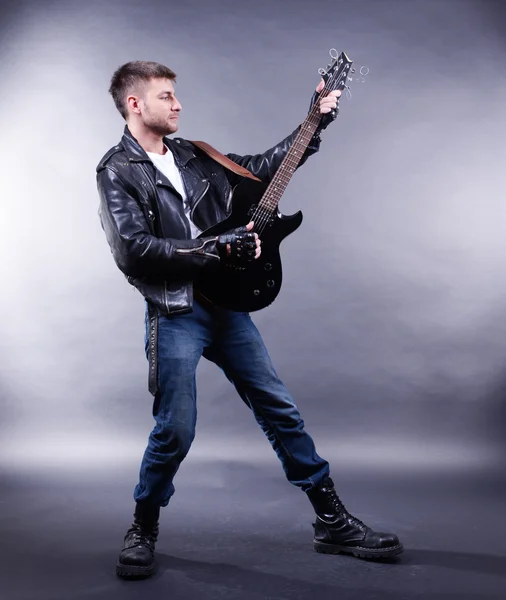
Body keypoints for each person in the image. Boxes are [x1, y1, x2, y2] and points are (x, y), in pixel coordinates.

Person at [96, 60, 403, 579]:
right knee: (176, 428)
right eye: (166, 96)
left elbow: (263, 169)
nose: (177, 104)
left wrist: (314, 121)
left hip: (229, 307)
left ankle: (331, 521)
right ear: (135, 104)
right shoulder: (116, 170)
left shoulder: (195, 156)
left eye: (175, 96)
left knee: (280, 410)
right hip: (176, 311)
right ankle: (143, 525)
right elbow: (133, 249)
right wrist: (212, 247)